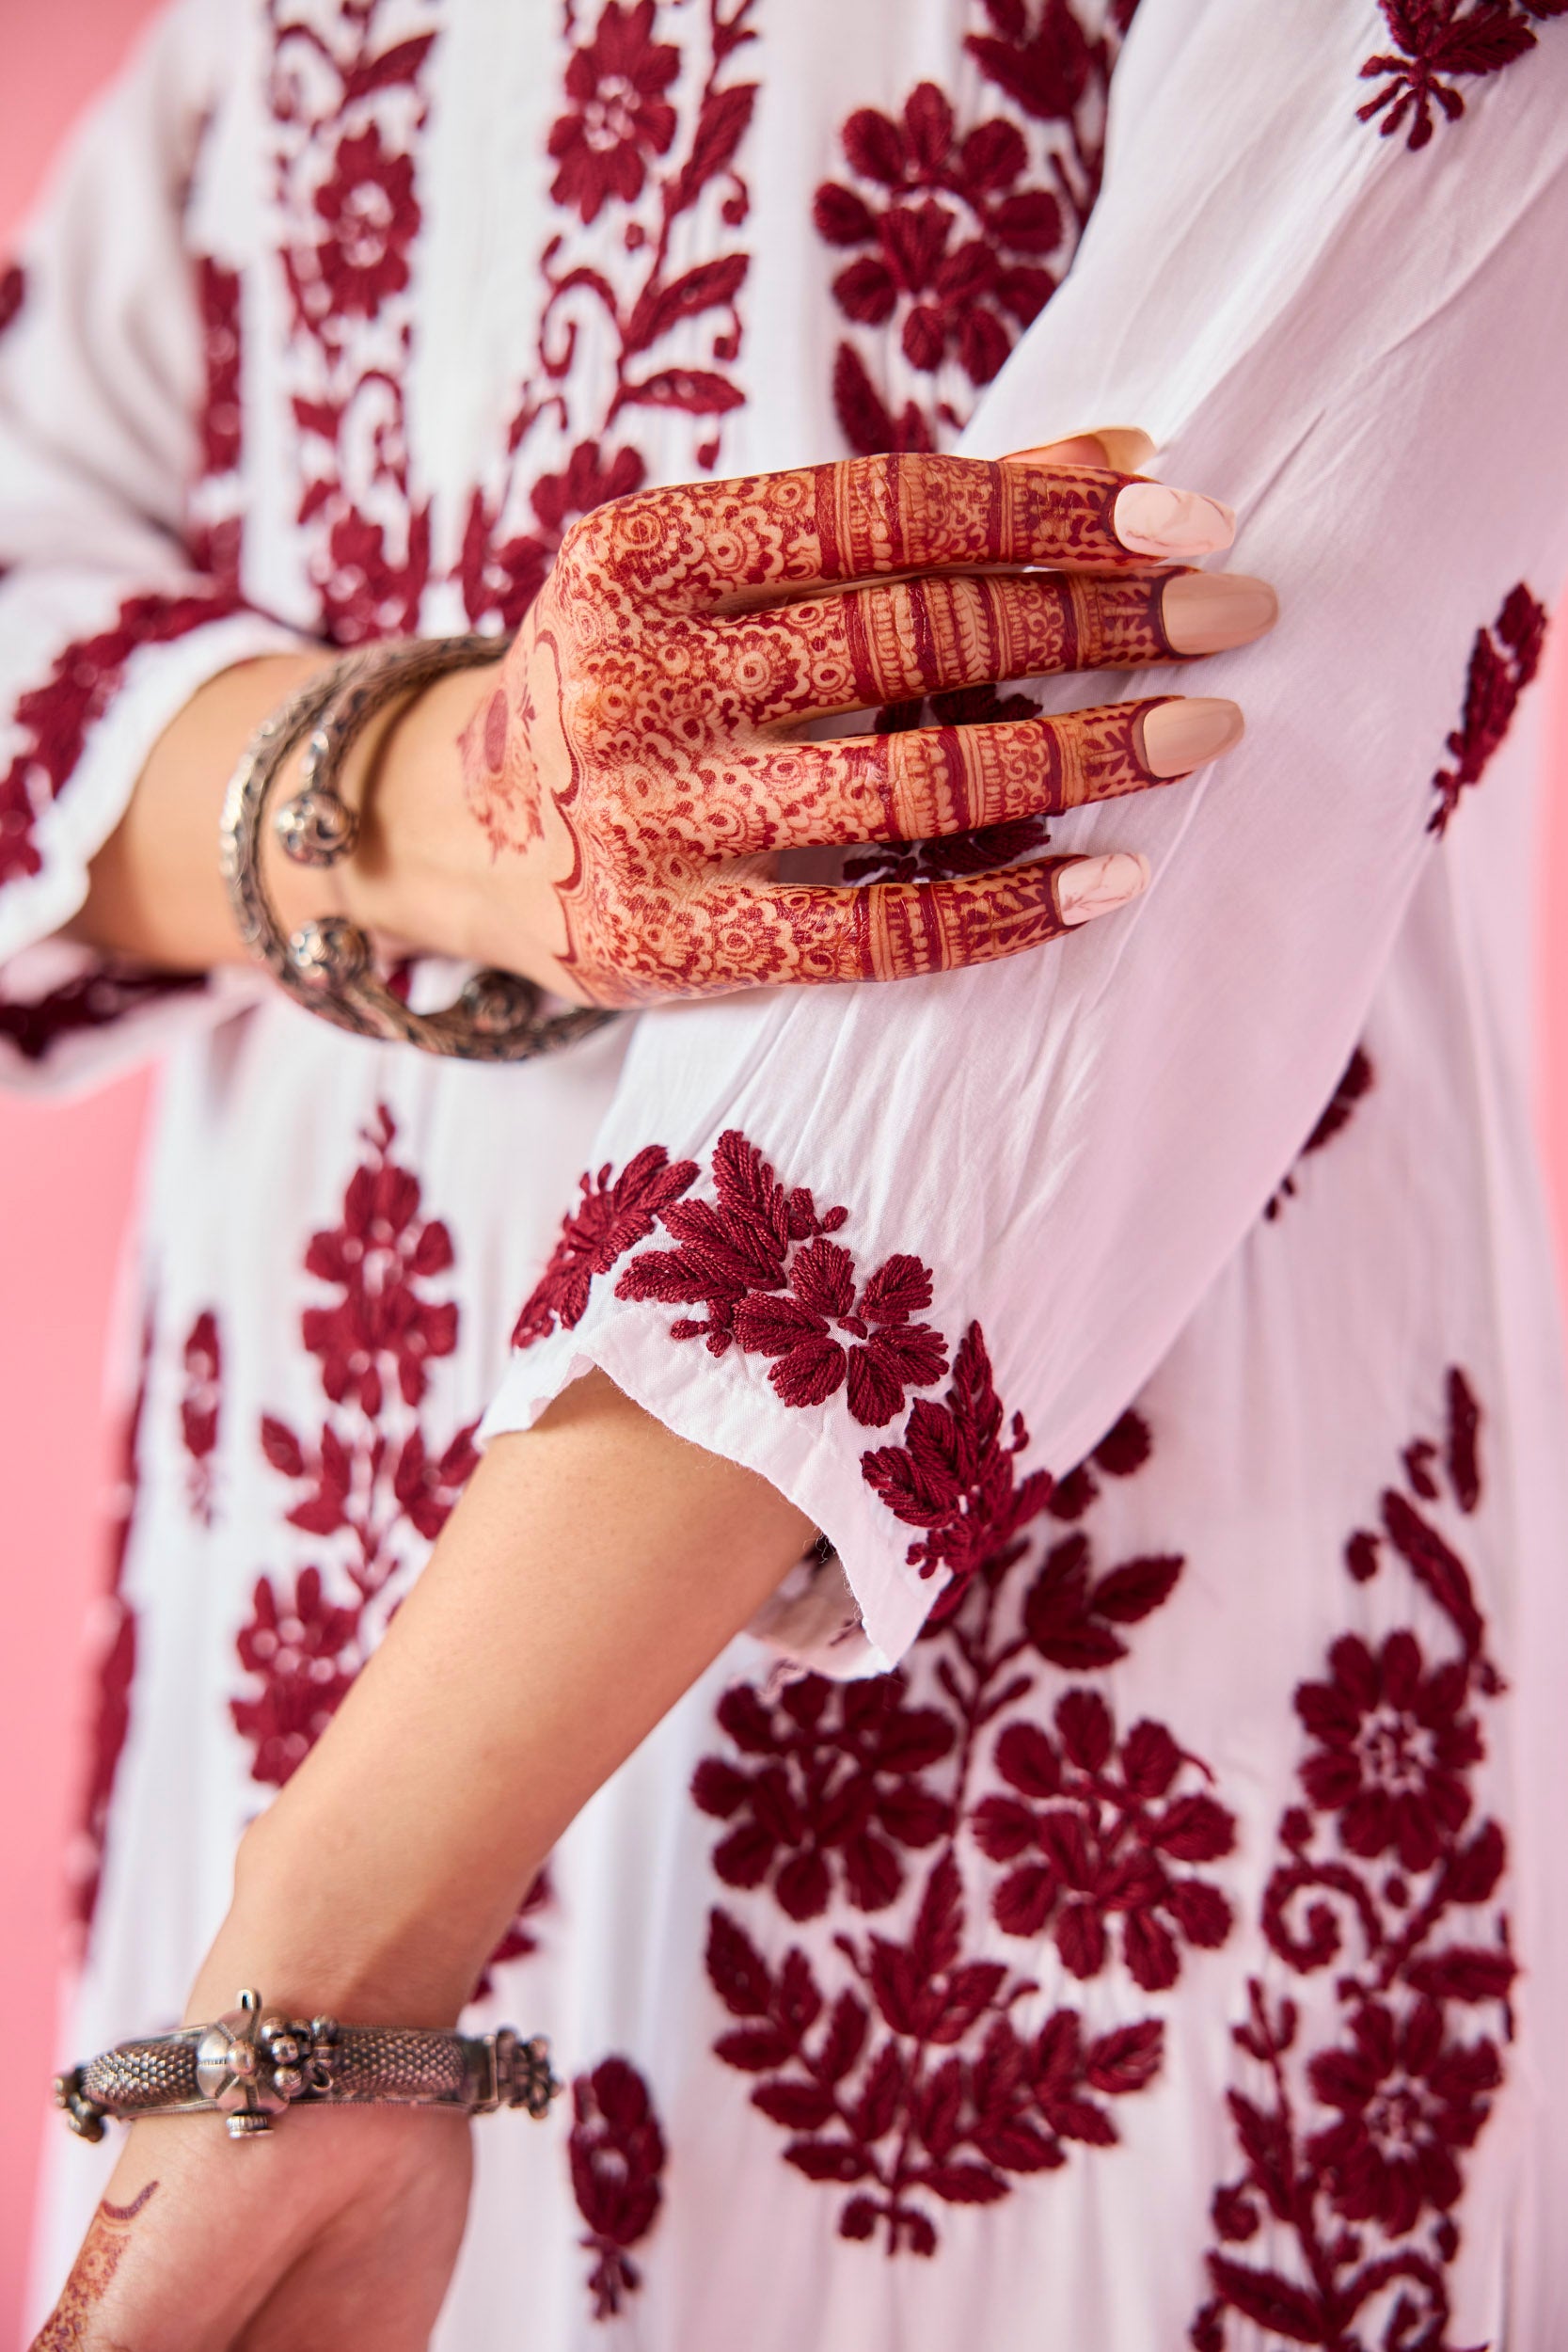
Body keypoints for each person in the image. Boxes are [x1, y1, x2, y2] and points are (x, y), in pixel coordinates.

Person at [7, 1, 1568, 2345]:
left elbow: (1171, 690)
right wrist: (435, 789)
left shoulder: (320, 1955)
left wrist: (334, 1962)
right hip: (300, 1572)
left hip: (1063, 1646)